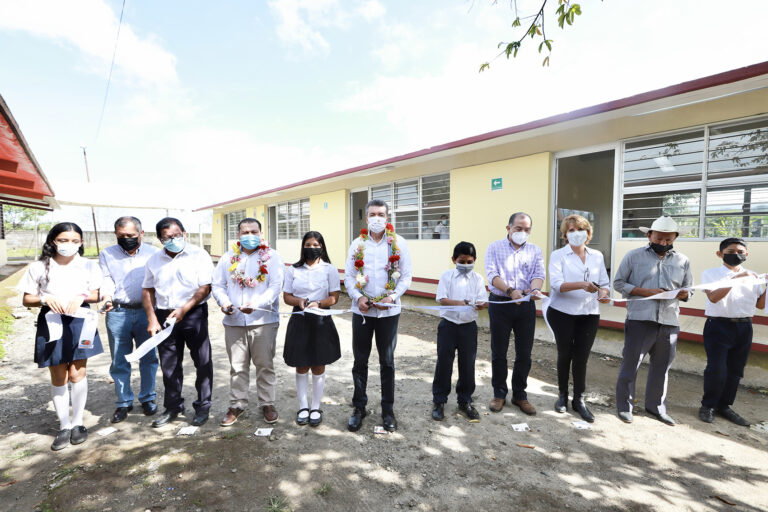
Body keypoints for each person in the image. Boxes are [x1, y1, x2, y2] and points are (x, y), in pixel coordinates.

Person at [18, 222, 103, 450]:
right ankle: (64, 426)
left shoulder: (88, 266)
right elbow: (27, 299)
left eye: (75, 241)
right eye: (64, 240)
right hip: (52, 321)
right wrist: (45, 299)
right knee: (59, 374)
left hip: (80, 320)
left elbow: (96, 293)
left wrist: (82, 296)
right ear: (53, 241)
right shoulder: (39, 267)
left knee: (77, 373)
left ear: (81, 243)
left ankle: (77, 424)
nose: (69, 245)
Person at [613, 216, 692, 426]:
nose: (663, 243)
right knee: (631, 365)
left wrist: (682, 294)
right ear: (649, 235)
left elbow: (688, 290)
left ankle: (656, 407)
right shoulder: (633, 256)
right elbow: (619, 283)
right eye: (659, 238)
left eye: (668, 239)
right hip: (640, 319)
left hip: (669, 322)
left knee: (662, 368)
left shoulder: (682, 260)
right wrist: (646, 292)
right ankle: (624, 407)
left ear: (675, 238)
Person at [344, 199, 412, 432]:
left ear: (387, 218)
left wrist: (391, 298)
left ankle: (388, 411)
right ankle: (359, 408)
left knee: (387, 362)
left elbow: (406, 277)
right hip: (362, 312)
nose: (376, 218)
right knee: (360, 361)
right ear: (366, 219)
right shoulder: (357, 244)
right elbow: (349, 277)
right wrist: (358, 297)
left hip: (388, 313)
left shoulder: (399, 243)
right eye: (372, 214)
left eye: (381, 214)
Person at [212, 217, 285, 426]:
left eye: (254, 232)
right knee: (237, 366)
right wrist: (225, 303)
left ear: (261, 234)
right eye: (245, 232)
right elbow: (217, 285)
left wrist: (257, 303)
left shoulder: (272, 257)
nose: (250, 236)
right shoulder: (228, 258)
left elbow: (275, 286)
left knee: (265, 365)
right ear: (238, 235)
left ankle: (267, 404)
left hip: (263, 320)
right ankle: (237, 404)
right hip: (234, 320)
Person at [142, 217, 214, 428]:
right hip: (165, 317)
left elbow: (205, 287)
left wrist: (185, 309)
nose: (173, 240)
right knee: (169, 365)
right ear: (159, 239)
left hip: (193, 312)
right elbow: (147, 290)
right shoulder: (154, 260)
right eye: (167, 237)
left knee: (202, 362)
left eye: (176, 235)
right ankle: (173, 407)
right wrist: (152, 318)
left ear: (184, 233)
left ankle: (203, 406)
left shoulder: (198, 255)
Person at [547, 215, 610, 423]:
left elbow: (604, 282)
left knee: (582, 357)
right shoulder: (558, 255)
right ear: (565, 235)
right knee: (565, 354)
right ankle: (562, 396)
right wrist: (582, 285)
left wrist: (604, 293)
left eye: (580, 229)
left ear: (588, 233)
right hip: (562, 312)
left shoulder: (597, 256)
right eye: (571, 230)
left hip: (589, 313)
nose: (576, 233)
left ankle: (579, 399)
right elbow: (557, 284)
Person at [698, 238, 766, 426]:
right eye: (731, 250)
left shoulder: (752, 276)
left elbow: (760, 305)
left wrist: (766, 285)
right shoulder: (710, 274)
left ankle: (724, 405)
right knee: (717, 369)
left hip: (744, 327)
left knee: (736, 371)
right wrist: (735, 280)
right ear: (720, 254)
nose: (736, 254)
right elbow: (713, 297)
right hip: (718, 326)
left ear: (746, 254)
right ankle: (708, 405)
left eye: (740, 251)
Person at [99, 216, 160, 423]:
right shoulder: (107, 254)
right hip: (117, 312)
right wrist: (106, 298)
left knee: (149, 357)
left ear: (141, 234)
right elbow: (106, 279)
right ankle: (123, 402)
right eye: (121, 235)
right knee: (119, 359)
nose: (126, 239)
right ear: (116, 234)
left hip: (147, 312)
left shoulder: (154, 253)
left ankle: (148, 398)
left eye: (131, 236)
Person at [484, 212, 545, 416]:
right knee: (499, 351)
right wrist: (510, 291)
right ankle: (499, 393)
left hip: (526, 306)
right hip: (501, 303)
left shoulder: (535, 251)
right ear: (508, 228)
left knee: (524, 353)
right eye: (518, 228)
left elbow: (538, 274)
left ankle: (520, 395)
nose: (522, 232)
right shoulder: (494, 247)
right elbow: (492, 274)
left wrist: (535, 290)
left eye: (527, 229)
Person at [282, 231, 341, 427]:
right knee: (301, 364)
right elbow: (287, 296)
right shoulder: (293, 270)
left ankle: (315, 407)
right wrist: (299, 301)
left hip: (321, 319)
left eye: (316, 244)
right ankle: (303, 406)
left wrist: (320, 303)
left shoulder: (330, 269)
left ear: (322, 247)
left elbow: (334, 297)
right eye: (308, 244)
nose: (312, 248)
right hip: (299, 319)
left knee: (318, 363)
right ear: (303, 246)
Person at [431, 242, 487, 422]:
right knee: (444, 363)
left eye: (469, 261)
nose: (465, 265)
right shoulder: (447, 276)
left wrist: (480, 305)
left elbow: (483, 302)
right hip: (448, 326)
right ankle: (439, 401)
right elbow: (442, 299)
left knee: (467, 365)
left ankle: (465, 401)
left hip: (468, 328)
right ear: (454, 259)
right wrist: (461, 303)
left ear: (475, 260)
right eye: (461, 261)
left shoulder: (478, 278)